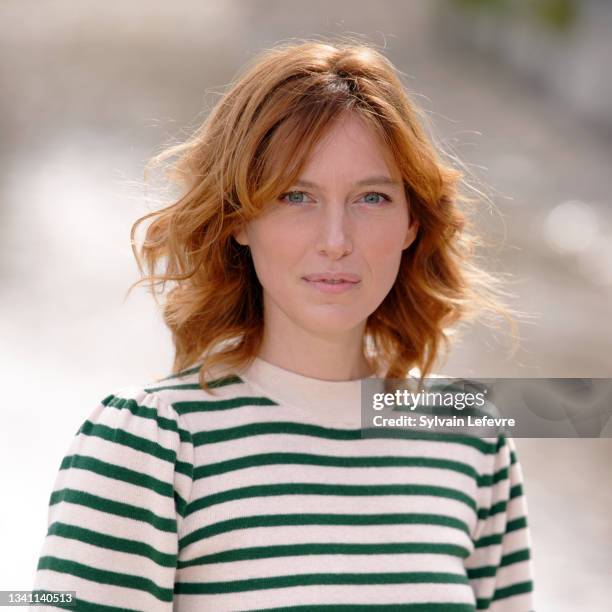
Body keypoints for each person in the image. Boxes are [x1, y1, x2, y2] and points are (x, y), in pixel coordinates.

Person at [31, 39, 535, 611]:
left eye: (371, 197)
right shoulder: (149, 445)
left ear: (412, 224)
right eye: (296, 196)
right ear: (239, 220)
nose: (336, 241)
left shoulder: (471, 434)